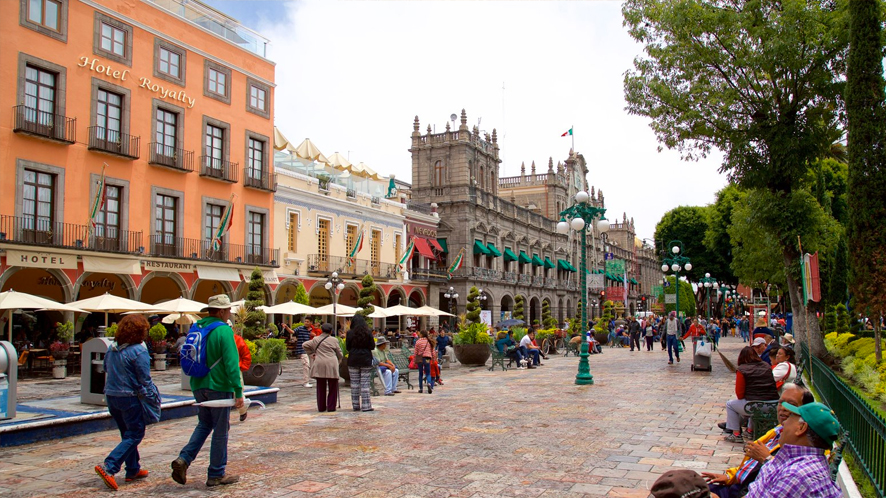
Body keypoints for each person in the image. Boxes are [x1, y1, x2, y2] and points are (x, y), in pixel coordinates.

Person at [172, 294, 243, 488]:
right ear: (220, 311)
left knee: (204, 424)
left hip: (198, 384)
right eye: (228, 310)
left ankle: (184, 459)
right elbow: (231, 364)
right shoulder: (223, 331)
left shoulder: (197, 327)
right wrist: (238, 391)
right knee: (221, 429)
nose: (230, 313)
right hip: (219, 386)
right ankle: (216, 473)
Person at [704, 384, 814, 498]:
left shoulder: (804, 444)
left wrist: (766, 458)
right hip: (739, 485)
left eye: (791, 405)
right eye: (781, 403)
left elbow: (787, 478)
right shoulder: (777, 431)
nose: (783, 408)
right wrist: (730, 477)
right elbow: (751, 466)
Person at [94, 315, 156, 490]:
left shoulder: (112, 349)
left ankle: (133, 469)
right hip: (129, 397)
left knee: (126, 433)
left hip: (112, 395)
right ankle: (110, 466)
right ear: (138, 331)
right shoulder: (138, 351)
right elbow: (145, 378)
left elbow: (106, 368)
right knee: (136, 433)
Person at [745, 402, 843, 498]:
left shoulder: (797, 477)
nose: (783, 423)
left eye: (790, 417)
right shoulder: (797, 462)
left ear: (801, 428)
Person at [724, 347, 779, 443]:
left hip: (754, 404)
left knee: (731, 404)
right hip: (773, 404)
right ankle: (750, 431)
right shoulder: (766, 366)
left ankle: (736, 434)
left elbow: (740, 394)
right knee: (755, 405)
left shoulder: (742, 370)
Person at [303, 323, 343, 412]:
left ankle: (321, 407)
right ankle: (331, 407)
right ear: (331, 331)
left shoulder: (315, 339)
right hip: (331, 363)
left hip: (319, 362)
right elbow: (340, 353)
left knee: (320, 386)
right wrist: (339, 360)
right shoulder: (334, 340)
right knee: (333, 386)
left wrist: (312, 354)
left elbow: (305, 345)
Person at [346, 315, 376, 411]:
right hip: (366, 359)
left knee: (354, 383)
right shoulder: (368, 332)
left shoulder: (350, 333)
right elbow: (372, 346)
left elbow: (347, 347)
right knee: (365, 383)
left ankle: (355, 405)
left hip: (353, 359)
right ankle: (366, 406)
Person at [232, 327, 252, 422]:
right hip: (221, 370)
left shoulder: (237, 339)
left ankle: (242, 411)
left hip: (235, 368)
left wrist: (242, 367)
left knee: (238, 391)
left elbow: (246, 354)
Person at [289, 321, 314, 388]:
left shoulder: (313, 330)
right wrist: (286, 327)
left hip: (311, 351)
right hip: (302, 350)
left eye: (308, 322)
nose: (306, 323)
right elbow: (292, 332)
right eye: (305, 321)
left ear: (311, 323)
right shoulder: (300, 328)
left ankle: (308, 380)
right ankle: (306, 382)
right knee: (306, 365)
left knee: (311, 366)